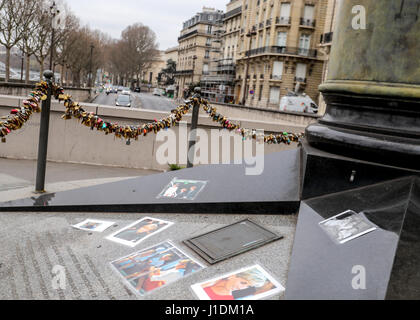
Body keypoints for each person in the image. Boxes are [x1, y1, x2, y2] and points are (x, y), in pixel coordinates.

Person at [202, 269, 268, 300]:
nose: (242, 288)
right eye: (243, 282)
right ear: (233, 275)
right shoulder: (211, 278)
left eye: (248, 286)